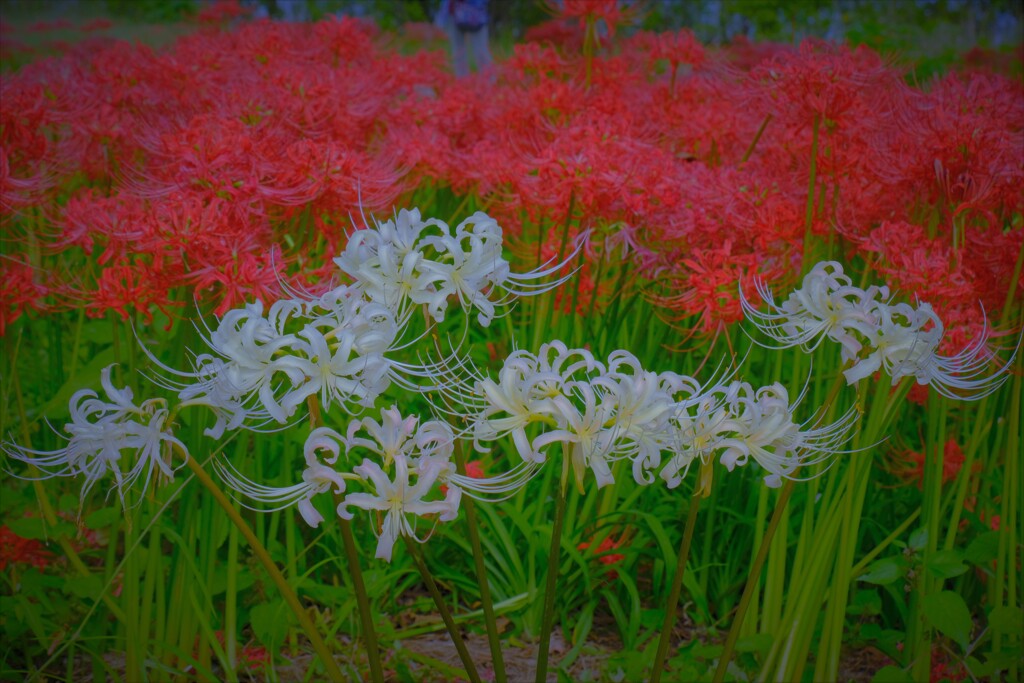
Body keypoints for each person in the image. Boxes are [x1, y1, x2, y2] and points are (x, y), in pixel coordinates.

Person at [436, 0, 493, 77]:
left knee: (481, 53)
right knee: (458, 53)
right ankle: (462, 83)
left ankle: (490, 82)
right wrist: (441, 20)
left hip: (477, 19)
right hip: (456, 18)